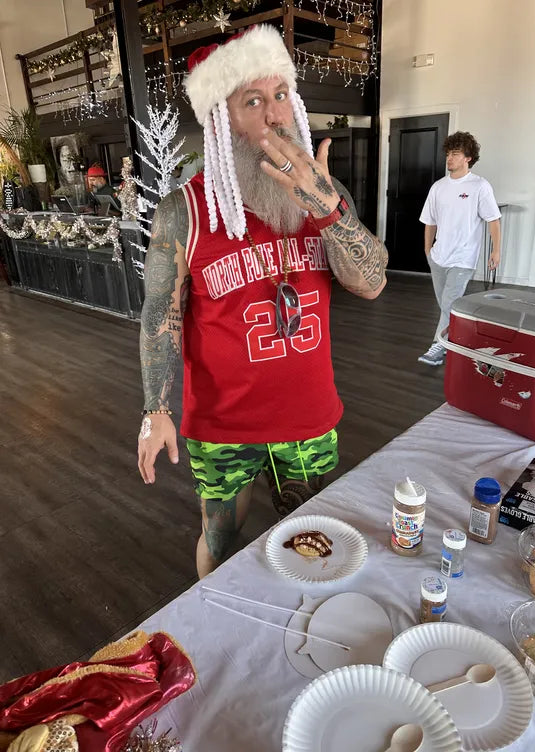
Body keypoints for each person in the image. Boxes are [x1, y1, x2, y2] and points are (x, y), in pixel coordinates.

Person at [136, 24, 388, 578]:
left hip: (308, 415)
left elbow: (371, 282)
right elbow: (160, 313)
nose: (276, 115)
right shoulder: (184, 211)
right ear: (221, 121)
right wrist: (155, 410)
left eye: (280, 96)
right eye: (253, 100)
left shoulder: (325, 192)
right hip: (222, 423)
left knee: (312, 546)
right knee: (222, 542)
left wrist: (325, 205)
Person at [418, 131, 501, 366]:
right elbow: (429, 222)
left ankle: (438, 347)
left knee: (448, 303)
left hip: (463, 259)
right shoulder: (438, 187)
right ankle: (458, 340)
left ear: (468, 158)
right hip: (438, 257)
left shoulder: (479, 186)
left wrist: (496, 251)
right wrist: (428, 252)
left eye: (455, 154)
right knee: (447, 305)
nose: (449, 158)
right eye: (448, 153)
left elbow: (493, 219)